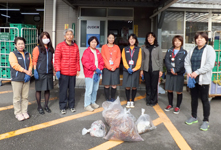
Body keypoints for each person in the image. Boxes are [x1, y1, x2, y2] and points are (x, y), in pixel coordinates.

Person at [184, 32, 215, 131]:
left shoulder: (209, 49)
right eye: (197, 38)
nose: (199, 40)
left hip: (203, 80)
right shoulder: (193, 49)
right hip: (193, 79)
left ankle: (206, 121)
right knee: (194, 98)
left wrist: (197, 72)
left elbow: (210, 65)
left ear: (206, 40)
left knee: (204, 100)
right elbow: (187, 62)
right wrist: (189, 72)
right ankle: (194, 117)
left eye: (201, 38)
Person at [54, 28, 80, 115]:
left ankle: (71, 106)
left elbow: (77, 59)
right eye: (68, 34)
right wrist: (57, 70)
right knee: (63, 90)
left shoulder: (75, 46)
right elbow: (57, 59)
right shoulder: (60, 46)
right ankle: (62, 107)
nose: (69, 36)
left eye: (71, 34)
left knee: (72, 90)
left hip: (72, 72)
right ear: (65, 36)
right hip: (63, 72)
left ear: (73, 36)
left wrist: (78, 69)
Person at [9, 37, 32, 121]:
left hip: (26, 79)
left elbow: (30, 64)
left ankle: (24, 111)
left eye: (22, 43)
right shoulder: (13, 54)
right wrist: (26, 71)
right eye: (19, 44)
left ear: (24, 44)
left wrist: (29, 72)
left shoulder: (27, 54)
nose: (21, 45)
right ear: (15, 45)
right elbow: (14, 65)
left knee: (25, 97)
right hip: (17, 79)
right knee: (17, 97)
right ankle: (18, 113)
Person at [32, 32, 55, 115]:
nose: (45, 39)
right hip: (40, 72)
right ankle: (39, 106)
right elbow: (34, 60)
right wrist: (35, 70)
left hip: (48, 72)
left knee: (47, 89)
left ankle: (46, 105)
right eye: (44, 37)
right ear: (41, 39)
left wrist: (53, 70)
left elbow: (52, 61)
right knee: (38, 89)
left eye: (47, 37)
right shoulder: (37, 48)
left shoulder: (50, 49)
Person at [164, 35, 187, 114]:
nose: (177, 42)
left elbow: (183, 63)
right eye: (175, 41)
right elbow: (166, 60)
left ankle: (177, 106)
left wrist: (176, 70)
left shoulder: (184, 52)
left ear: (181, 42)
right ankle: (170, 104)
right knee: (169, 89)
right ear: (173, 42)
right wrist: (171, 69)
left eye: (179, 41)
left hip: (179, 74)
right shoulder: (169, 51)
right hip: (170, 73)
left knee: (178, 91)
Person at [81, 36, 104, 112]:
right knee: (89, 90)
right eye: (92, 42)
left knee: (95, 89)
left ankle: (93, 102)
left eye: (95, 42)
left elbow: (101, 62)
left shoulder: (97, 51)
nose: (94, 43)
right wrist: (95, 69)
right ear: (89, 43)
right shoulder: (86, 52)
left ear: (97, 43)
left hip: (97, 73)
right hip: (90, 73)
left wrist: (99, 69)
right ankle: (87, 105)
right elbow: (86, 63)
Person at [140, 32, 163, 106]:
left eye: (152, 37)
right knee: (148, 85)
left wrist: (161, 70)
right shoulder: (144, 48)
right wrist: (141, 69)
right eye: (148, 37)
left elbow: (160, 59)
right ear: (147, 39)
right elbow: (142, 59)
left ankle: (154, 100)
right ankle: (148, 100)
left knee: (154, 86)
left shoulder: (158, 47)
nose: (150, 39)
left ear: (154, 38)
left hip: (155, 69)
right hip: (146, 69)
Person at [122, 33, 142, 108]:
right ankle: (128, 101)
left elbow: (139, 60)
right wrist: (128, 68)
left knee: (134, 86)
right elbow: (123, 59)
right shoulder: (125, 49)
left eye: (133, 39)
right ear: (128, 40)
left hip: (135, 70)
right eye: (130, 39)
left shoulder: (139, 49)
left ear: (135, 40)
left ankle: (132, 101)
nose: (132, 40)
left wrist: (135, 68)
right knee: (127, 86)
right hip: (126, 70)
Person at [101, 33, 121, 101]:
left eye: (112, 38)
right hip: (106, 68)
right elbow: (103, 58)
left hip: (115, 68)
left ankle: (112, 98)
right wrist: (109, 67)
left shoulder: (117, 47)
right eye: (110, 38)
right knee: (106, 85)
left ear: (114, 39)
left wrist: (114, 66)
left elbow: (118, 58)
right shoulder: (104, 47)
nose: (111, 39)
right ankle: (107, 98)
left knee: (114, 85)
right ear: (107, 38)